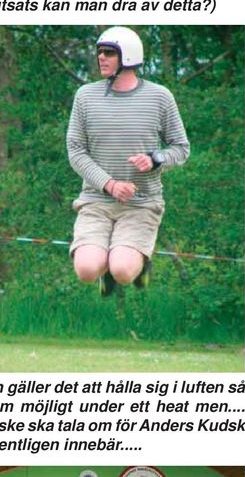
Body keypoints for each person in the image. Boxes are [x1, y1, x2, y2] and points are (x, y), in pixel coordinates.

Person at [67, 27, 190, 297]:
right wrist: (109, 185)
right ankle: (105, 271)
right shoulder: (85, 96)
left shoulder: (159, 97)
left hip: (142, 203)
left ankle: (136, 265)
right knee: (86, 270)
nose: (101, 57)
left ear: (129, 56)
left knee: (123, 270)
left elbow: (181, 148)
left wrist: (156, 159)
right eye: (99, 51)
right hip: (96, 201)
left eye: (109, 52)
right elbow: (75, 150)